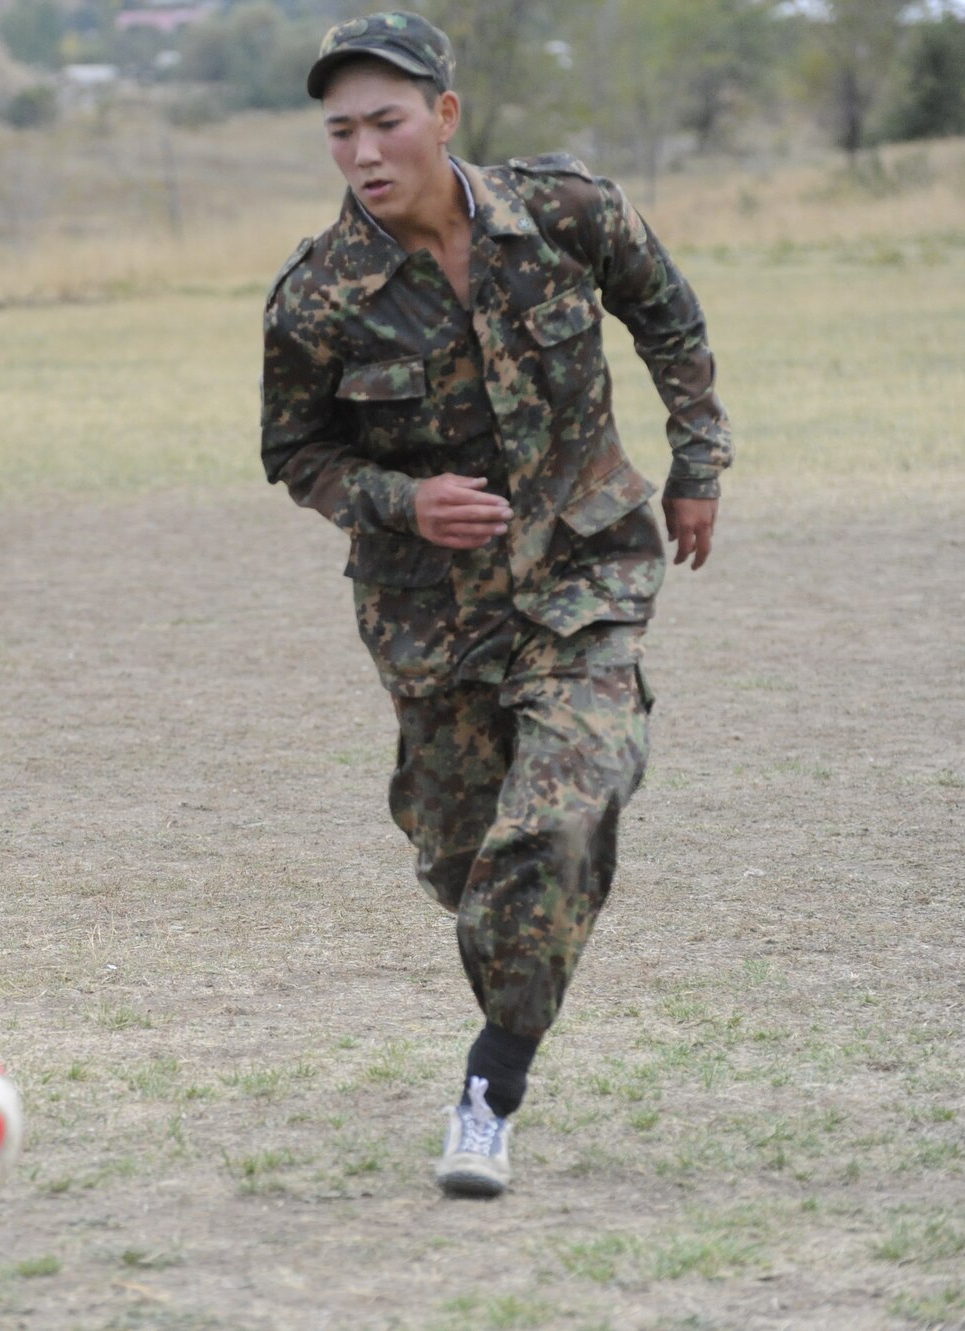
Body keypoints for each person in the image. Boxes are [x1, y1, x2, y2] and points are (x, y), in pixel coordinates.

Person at [261, 13, 731, 1197]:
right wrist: (401, 499)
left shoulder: (564, 210)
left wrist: (695, 465)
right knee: (469, 866)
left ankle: (489, 1088)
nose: (365, 150)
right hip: (435, 623)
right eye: (340, 131)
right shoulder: (319, 297)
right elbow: (295, 453)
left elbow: (666, 313)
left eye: (386, 121)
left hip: (586, 578)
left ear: (444, 116)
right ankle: (514, 948)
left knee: (558, 821)